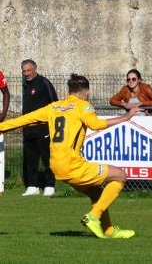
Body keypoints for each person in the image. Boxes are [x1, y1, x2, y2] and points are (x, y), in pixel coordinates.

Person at [0, 73, 143, 238]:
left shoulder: (53, 107)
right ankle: (93, 216)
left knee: (97, 193)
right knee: (120, 176)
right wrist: (125, 117)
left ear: (69, 91)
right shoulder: (84, 106)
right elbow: (95, 124)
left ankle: (109, 230)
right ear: (86, 92)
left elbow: (23, 120)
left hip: (56, 167)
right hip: (73, 165)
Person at [21, 59, 58, 197]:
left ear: (35, 69)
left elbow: (54, 102)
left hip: (43, 129)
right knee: (30, 159)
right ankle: (32, 186)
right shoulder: (25, 85)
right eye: (24, 71)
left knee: (47, 158)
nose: (26, 73)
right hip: (28, 129)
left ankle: (49, 185)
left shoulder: (43, 83)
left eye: (28, 70)